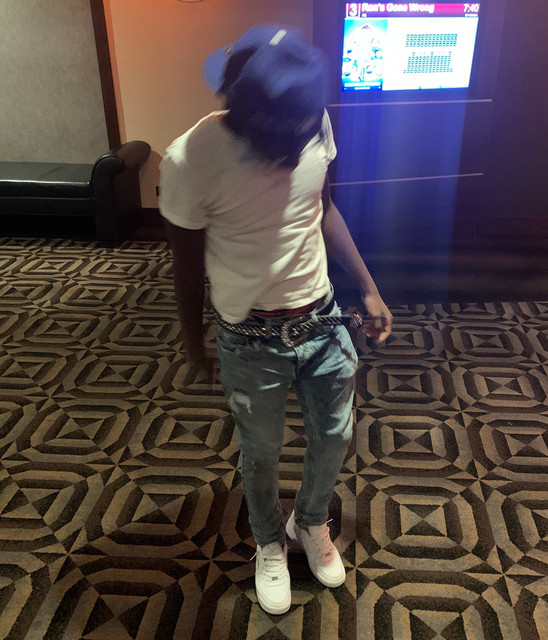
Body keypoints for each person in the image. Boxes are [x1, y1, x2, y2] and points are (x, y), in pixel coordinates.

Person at [159, 24, 393, 615]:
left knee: (335, 435)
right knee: (261, 450)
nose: (298, 147)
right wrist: (193, 342)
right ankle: (268, 541)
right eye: (284, 139)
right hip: (249, 337)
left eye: (305, 130)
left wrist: (368, 287)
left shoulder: (309, 116)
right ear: (242, 116)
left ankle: (308, 522)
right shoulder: (191, 158)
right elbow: (184, 267)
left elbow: (323, 206)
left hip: (321, 318)